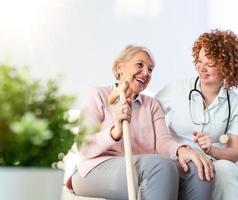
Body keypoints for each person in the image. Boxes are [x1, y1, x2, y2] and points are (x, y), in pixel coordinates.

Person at [67, 45, 213, 200]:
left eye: (150, 70)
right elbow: (84, 147)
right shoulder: (97, 95)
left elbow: (163, 143)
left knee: (198, 167)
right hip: (94, 169)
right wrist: (115, 131)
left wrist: (182, 150)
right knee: (161, 166)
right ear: (119, 67)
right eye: (140, 65)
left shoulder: (151, 105)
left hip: (141, 166)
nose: (146, 73)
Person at [156, 29, 238, 200]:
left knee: (225, 172)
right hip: (180, 160)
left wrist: (211, 149)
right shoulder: (177, 89)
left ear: (227, 66)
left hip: (216, 163)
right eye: (199, 61)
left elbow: (235, 152)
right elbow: (150, 114)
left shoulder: (235, 104)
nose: (202, 68)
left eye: (210, 64)